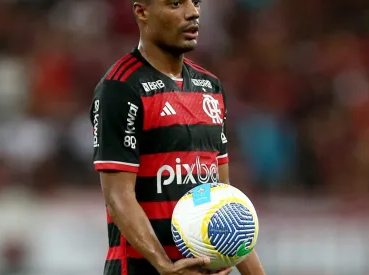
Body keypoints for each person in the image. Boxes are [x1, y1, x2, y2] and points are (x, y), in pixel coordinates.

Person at [89, 0, 267, 275]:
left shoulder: (211, 87)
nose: (193, 12)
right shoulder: (120, 88)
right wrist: (165, 266)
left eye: (195, 2)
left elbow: (223, 200)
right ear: (142, 11)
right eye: (175, 3)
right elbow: (118, 196)